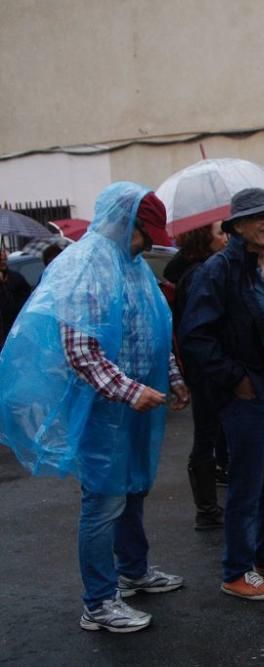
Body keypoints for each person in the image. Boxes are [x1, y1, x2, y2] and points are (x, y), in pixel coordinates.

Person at [0, 183, 188, 633]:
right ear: (125, 223)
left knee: (133, 488)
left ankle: (134, 570)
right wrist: (128, 391)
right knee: (103, 499)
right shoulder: (85, 264)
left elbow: (155, 328)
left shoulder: (134, 266)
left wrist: (174, 378)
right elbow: (79, 348)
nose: (147, 243)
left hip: (136, 401)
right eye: (145, 232)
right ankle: (99, 602)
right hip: (104, 407)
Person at [180, 187, 264, 601]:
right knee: (246, 485)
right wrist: (236, 379)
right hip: (249, 396)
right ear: (237, 226)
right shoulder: (218, 271)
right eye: (259, 217)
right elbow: (196, 338)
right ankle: (236, 569)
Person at [163, 221, 230, 530]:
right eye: (219, 233)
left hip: (204, 369)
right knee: (206, 436)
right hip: (206, 371)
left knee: (211, 433)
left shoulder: (195, 270)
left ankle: (210, 502)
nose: (225, 237)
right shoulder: (200, 275)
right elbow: (197, 331)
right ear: (205, 239)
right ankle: (206, 510)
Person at [0, 243, 32, 348]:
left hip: (16, 331)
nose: (3, 260)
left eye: (4, 259)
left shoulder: (16, 278)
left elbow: (27, 302)